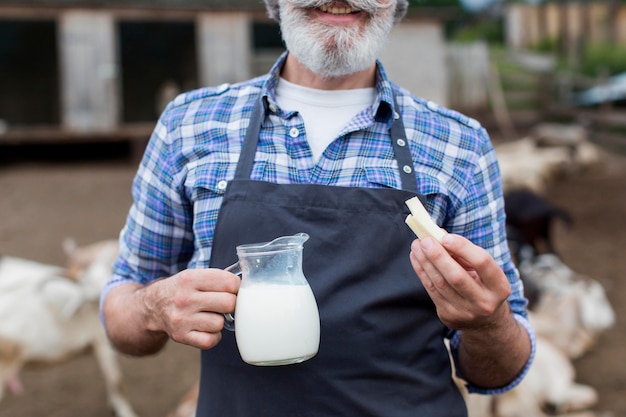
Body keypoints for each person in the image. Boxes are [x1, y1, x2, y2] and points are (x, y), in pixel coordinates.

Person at [100, 0, 535, 415]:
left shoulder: (460, 144)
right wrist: (152, 306)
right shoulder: (189, 125)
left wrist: (487, 323)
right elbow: (124, 304)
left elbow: (502, 369)